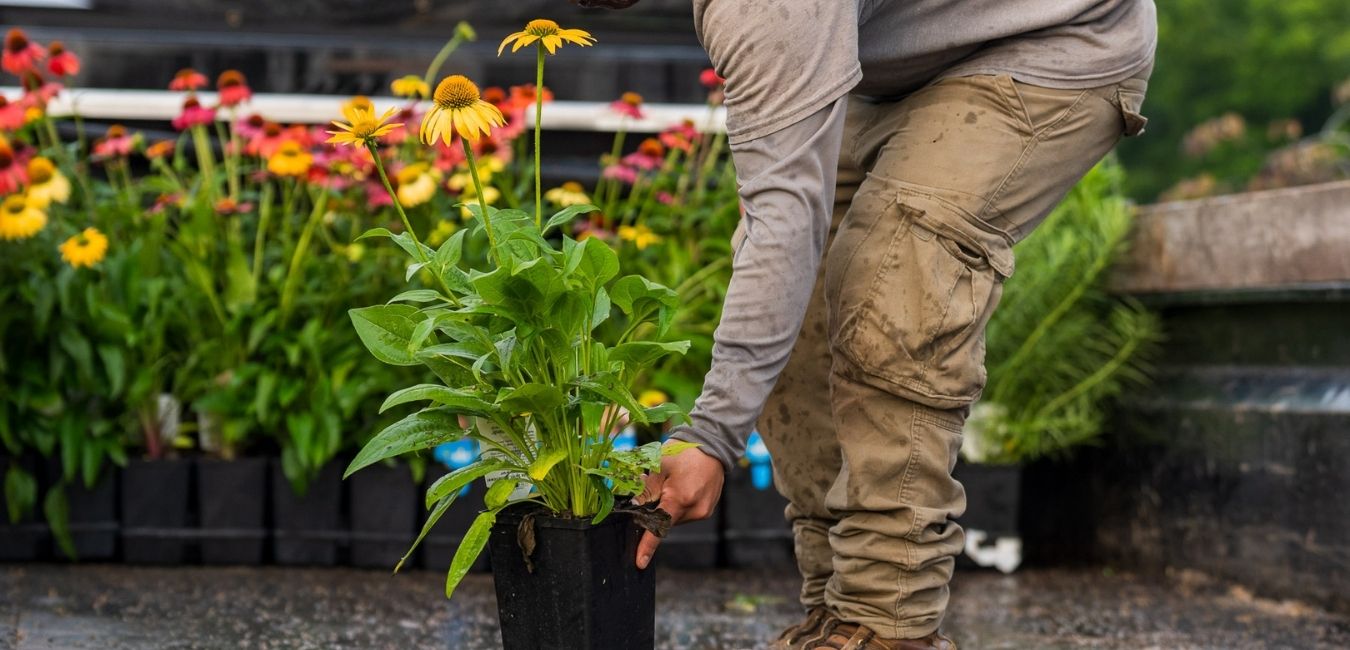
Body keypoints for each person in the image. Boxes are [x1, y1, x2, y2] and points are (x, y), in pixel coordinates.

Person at [576, 1, 1157, 647]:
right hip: (895, 67)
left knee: (894, 284)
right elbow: (783, 235)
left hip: (1050, 39)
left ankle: (886, 627)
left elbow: (784, 224)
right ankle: (836, 614)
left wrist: (711, 435)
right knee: (800, 302)